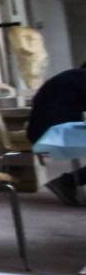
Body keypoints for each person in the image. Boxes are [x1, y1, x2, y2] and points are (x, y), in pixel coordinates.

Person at [27, 63, 86, 201]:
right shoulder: (80, 78)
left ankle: (68, 181)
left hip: (43, 133)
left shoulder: (70, 78)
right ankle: (67, 182)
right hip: (56, 134)